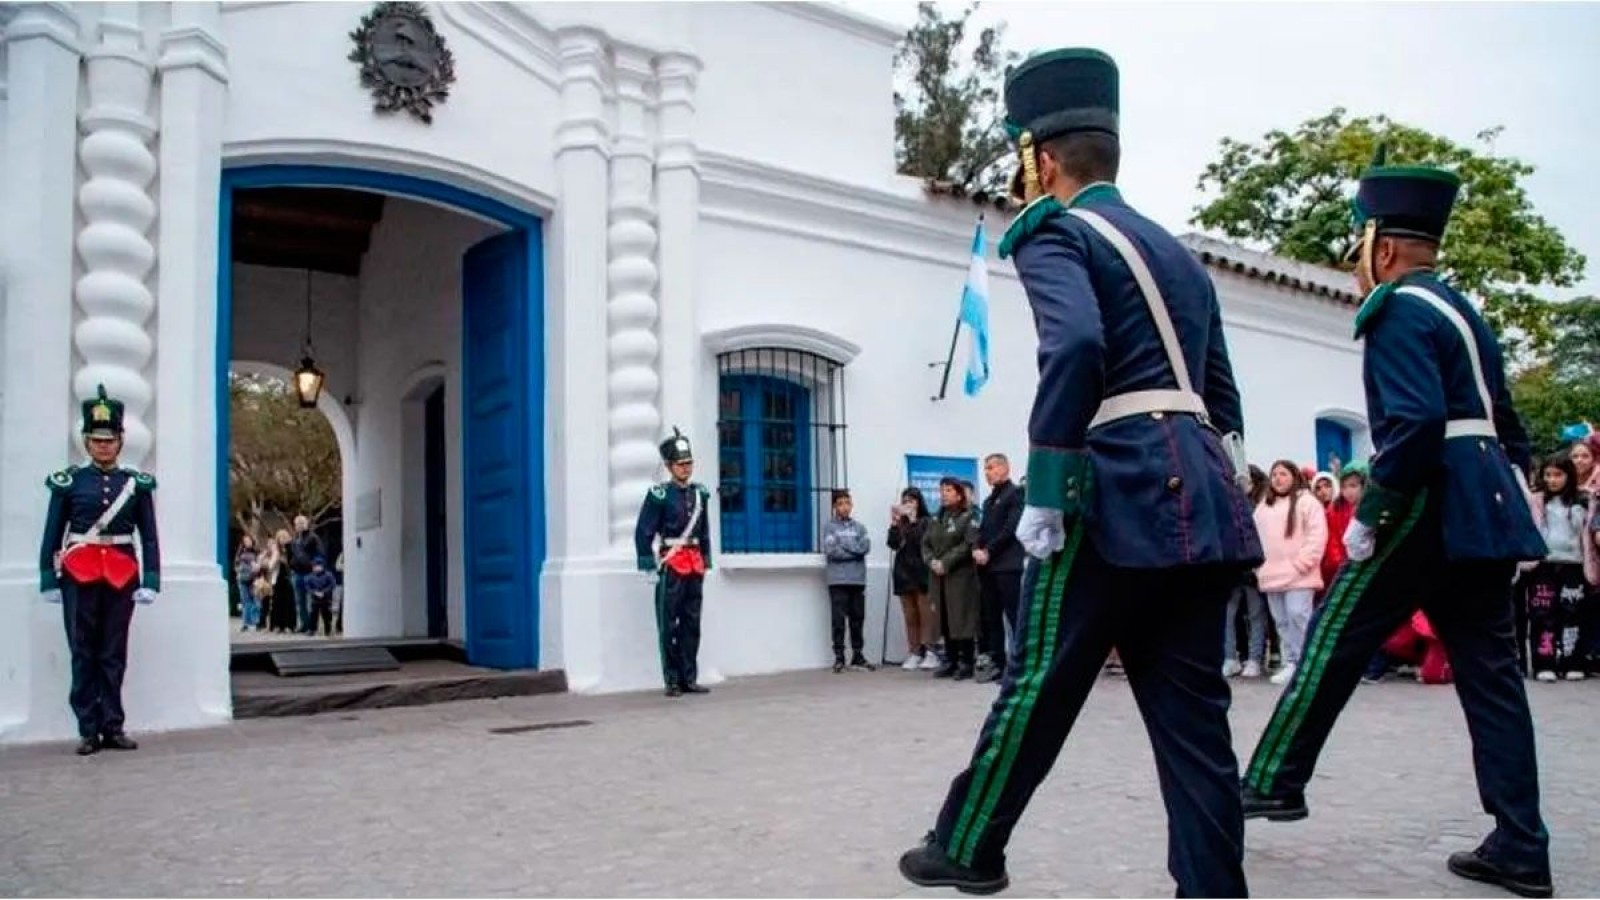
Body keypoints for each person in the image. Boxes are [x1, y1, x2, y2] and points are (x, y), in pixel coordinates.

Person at [897, 48, 1262, 897]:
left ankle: (970, 844)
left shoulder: (1053, 228)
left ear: (1042, 159)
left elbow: (1078, 348)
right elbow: (1221, 394)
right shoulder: (1177, 256)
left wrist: (1049, 486)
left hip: (1110, 492)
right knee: (1196, 723)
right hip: (1197, 498)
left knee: (1036, 683)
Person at [1239, 150, 1553, 898]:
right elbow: (1506, 422)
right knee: (1493, 681)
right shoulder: (1465, 313)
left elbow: (1412, 421)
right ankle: (1521, 843)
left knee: (1331, 641)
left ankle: (1276, 779)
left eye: (1358, 252)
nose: (1357, 270)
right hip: (1481, 504)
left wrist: (1372, 513)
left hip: (1424, 500)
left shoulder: (1398, 310)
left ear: (1381, 247)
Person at [38, 385, 161, 756]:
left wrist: (151, 578)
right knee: (82, 650)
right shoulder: (69, 483)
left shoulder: (134, 486)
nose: (103, 446)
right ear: (86, 441)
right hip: (79, 572)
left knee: (113, 652)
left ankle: (113, 724)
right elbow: (52, 533)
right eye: (96, 440)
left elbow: (150, 537)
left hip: (121, 572)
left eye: (109, 440)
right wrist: (48, 577)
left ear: (120, 441)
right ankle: (88, 728)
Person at [634, 428, 713, 698]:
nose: (686, 468)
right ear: (669, 466)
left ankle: (689, 678)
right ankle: (672, 679)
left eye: (689, 463)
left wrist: (707, 558)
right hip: (672, 562)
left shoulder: (700, 494)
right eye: (680, 464)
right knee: (668, 623)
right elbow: (644, 530)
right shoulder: (659, 495)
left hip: (694, 563)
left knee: (692, 624)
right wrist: (647, 564)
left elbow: (704, 531)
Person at [921, 477, 981, 681]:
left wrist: (945, 562)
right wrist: (932, 562)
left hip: (960, 576)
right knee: (944, 618)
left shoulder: (968, 516)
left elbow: (967, 545)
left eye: (948, 490)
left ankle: (966, 661)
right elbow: (925, 544)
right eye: (942, 490)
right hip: (938, 577)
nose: (944, 494)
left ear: (959, 494)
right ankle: (951, 659)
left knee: (961, 618)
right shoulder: (936, 518)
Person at [974, 454, 1025, 683]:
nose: (988, 472)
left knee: (1014, 616)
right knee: (992, 617)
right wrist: (977, 548)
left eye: (992, 467)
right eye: (986, 468)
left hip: (1008, 566)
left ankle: (1019, 666)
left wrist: (989, 551)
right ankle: (999, 663)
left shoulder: (1014, 494)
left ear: (1005, 468)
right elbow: (984, 529)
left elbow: (1010, 528)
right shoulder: (988, 501)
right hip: (988, 567)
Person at [822, 489, 874, 672]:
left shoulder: (860, 527)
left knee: (857, 619)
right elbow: (831, 551)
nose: (845, 507)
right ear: (835, 506)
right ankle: (839, 657)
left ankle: (858, 655)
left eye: (847, 503)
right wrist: (854, 549)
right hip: (837, 580)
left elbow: (865, 547)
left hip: (857, 580)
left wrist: (844, 545)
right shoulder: (829, 527)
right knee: (838, 620)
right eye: (840, 503)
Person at [889, 488, 939, 670]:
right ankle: (914, 651)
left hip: (922, 574)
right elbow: (893, 544)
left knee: (926, 615)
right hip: (903, 574)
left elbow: (924, 543)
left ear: (919, 502)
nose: (908, 504)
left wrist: (912, 521)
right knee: (910, 616)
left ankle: (931, 651)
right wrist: (895, 524)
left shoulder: (927, 522)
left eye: (912, 500)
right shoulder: (900, 524)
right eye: (905, 500)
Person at [287, 514, 325, 634]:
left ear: (306, 524)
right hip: (297, 573)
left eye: (301, 523)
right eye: (297, 524)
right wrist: (291, 565)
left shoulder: (313, 538)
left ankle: (312, 627)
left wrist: (316, 567)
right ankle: (304, 624)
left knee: (311, 601)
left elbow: (320, 553)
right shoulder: (295, 541)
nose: (299, 525)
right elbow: (291, 556)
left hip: (309, 573)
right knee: (300, 601)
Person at [304, 557, 339, 637]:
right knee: (313, 615)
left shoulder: (328, 575)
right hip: (315, 599)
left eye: (318, 566)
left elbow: (332, 584)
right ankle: (312, 629)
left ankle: (328, 630)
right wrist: (314, 592)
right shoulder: (310, 577)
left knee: (326, 615)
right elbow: (308, 587)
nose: (316, 568)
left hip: (326, 599)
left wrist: (324, 592)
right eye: (315, 566)